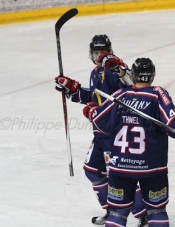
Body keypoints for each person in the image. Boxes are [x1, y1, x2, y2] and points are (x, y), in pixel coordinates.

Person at [88, 57, 175, 227]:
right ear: (152, 75)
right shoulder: (157, 94)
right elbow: (173, 123)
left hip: (121, 166)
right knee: (157, 212)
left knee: (117, 213)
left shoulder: (119, 95)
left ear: (135, 75)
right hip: (152, 168)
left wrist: (91, 111)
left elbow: (99, 121)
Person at [54, 35, 148, 226]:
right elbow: (95, 95)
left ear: (110, 51)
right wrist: (72, 88)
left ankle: (143, 215)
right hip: (100, 133)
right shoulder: (96, 72)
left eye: (102, 52)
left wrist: (120, 70)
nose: (98, 56)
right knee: (92, 170)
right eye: (95, 52)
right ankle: (112, 210)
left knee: (119, 177)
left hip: (115, 134)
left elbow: (132, 86)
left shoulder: (115, 69)